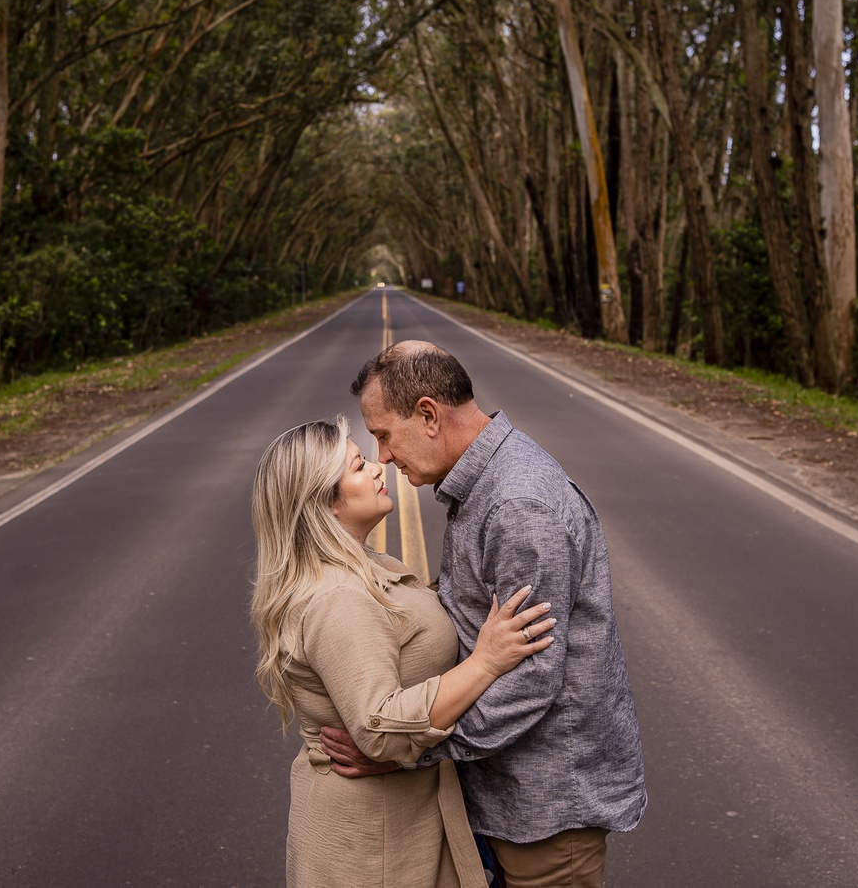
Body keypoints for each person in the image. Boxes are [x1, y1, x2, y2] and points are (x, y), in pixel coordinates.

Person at [323, 340, 647, 888]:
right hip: (508, 799)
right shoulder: (485, 485)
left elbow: (529, 683)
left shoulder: (518, 506)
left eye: (382, 435)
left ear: (427, 414)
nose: (382, 457)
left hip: (546, 813)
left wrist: (409, 751)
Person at [250, 414, 557, 888]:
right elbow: (380, 728)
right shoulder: (339, 600)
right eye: (357, 467)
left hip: (398, 821)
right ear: (324, 505)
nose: (377, 468)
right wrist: (486, 661)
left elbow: (404, 619)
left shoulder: (363, 565)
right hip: (375, 846)